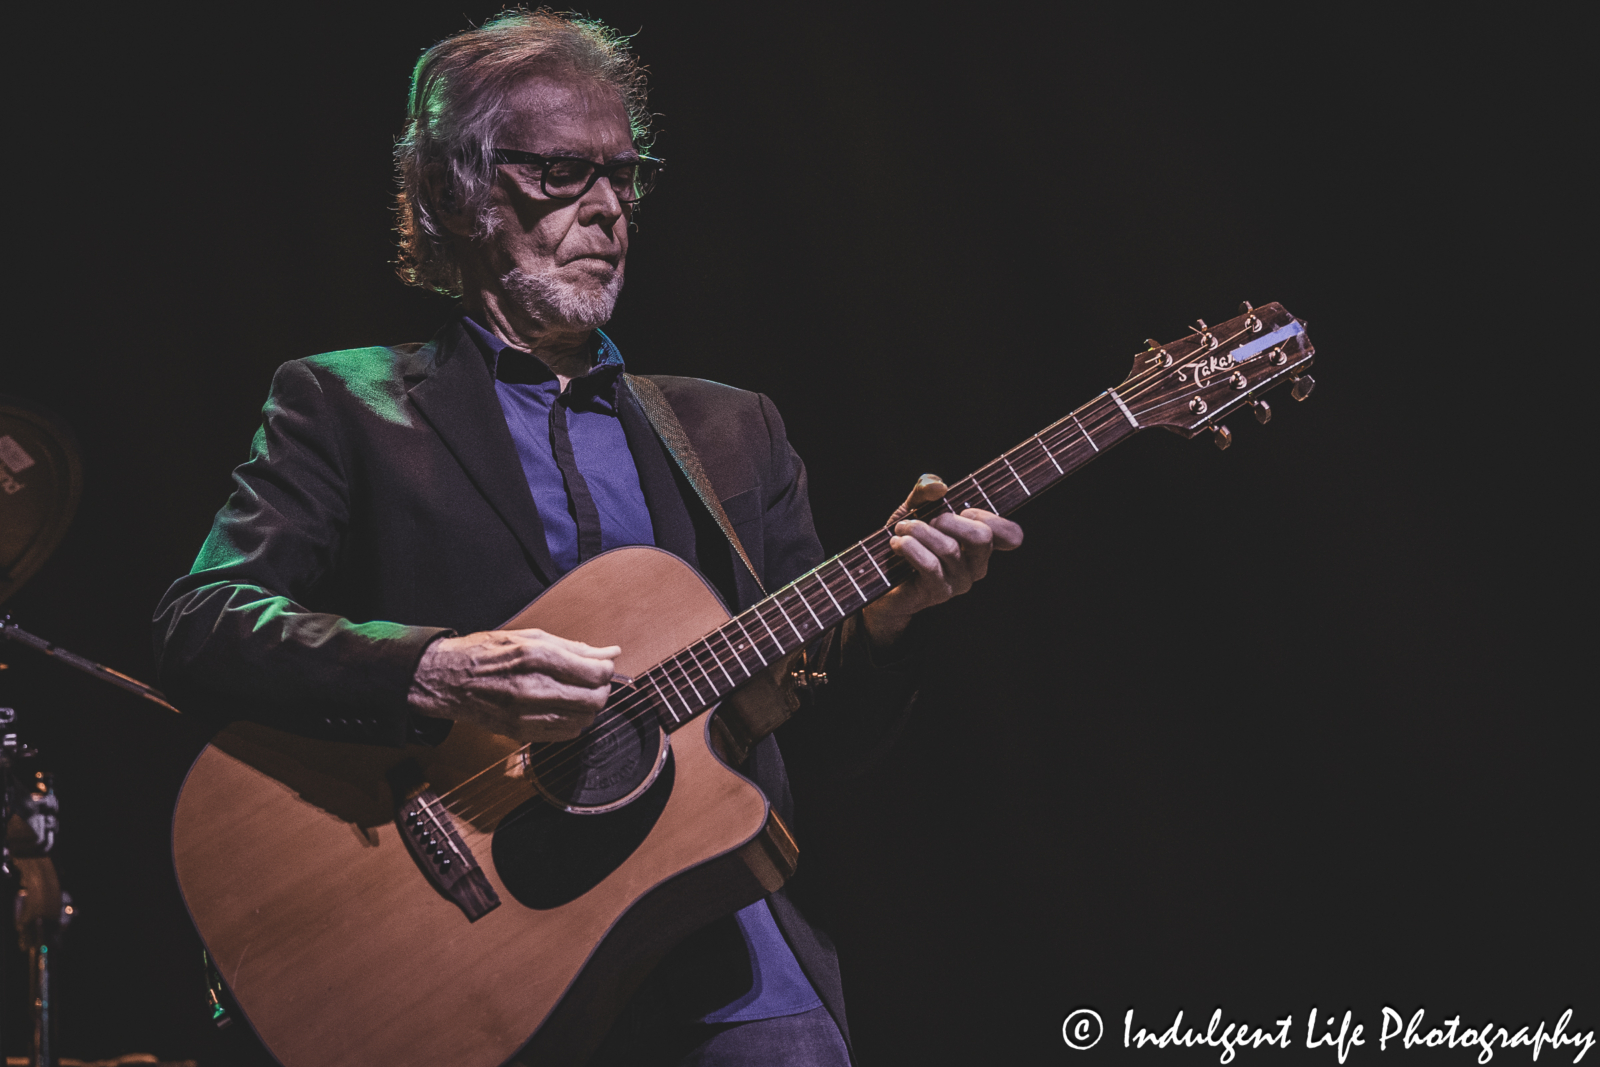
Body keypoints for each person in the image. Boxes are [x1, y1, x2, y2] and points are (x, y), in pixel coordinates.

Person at [153, 10, 1021, 1065]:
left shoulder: (731, 427)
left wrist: (886, 620)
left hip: (724, 952)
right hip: (481, 961)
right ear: (454, 191)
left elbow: (827, 738)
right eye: (562, 172)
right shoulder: (343, 404)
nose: (607, 207)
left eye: (624, 173)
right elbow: (202, 622)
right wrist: (435, 669)